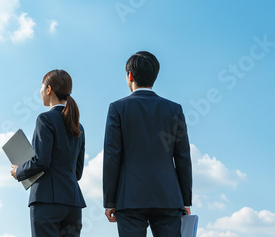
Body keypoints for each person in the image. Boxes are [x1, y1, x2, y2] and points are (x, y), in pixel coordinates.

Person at [103, 51, 192, 237]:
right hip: (168, 197)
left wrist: (110, 201)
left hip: (130, 198)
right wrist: (185, 200)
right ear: (155, 75)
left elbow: (112, 156)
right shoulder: (174, 109)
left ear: (130, 75)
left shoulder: (117, 108)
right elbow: (182, 156)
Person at [10, 69, 86, 237]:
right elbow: (77, 173)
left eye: (41, 87)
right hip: (73, 203)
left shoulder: (45, 119)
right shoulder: (79, 127)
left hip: (46, 202)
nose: (40, 91)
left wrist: (19, 170)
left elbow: (42, 161)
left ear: (49, 89)